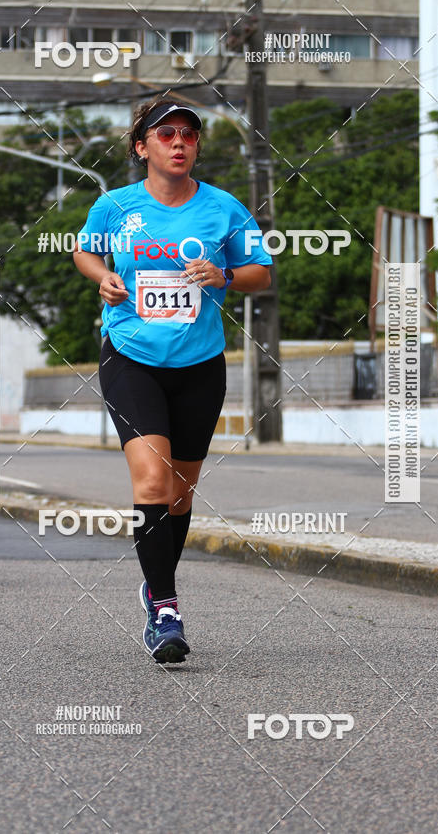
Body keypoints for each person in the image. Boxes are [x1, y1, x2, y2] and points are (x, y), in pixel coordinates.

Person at [74, 100, 272, 664]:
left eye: (189, 134)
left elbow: (261, 272)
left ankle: (155, 579)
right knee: (153, 484)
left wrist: (226, 274)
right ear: (143, 148)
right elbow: (83, 252)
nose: (179, 143)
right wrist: (105, 278)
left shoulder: (225, 208)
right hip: (131, 356)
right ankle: (164, 606)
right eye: (167, 134)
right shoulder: (115, 206)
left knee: (181, 492)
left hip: (200, 363)